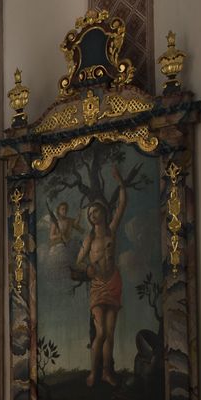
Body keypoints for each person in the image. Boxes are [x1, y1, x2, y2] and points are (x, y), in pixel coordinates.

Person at [72, 165, 128, 387]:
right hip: (98, 285)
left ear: (104, 212)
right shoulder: (89, 239)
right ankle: (93, 373)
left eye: (96, 211)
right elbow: (79, 260)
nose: (93, 215)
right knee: (101, 331)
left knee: (111, 332)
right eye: (90, 214)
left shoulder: (112, 230)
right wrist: (88, 268)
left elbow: (122, 205)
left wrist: (121, 183)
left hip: (114, 281)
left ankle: (106, 372)